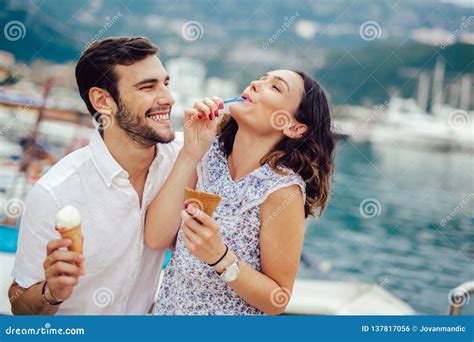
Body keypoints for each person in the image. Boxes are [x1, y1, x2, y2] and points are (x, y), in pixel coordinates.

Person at [8, 36, 207, 315]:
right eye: (148, 87)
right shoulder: (55, 192)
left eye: (165, 83)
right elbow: (18, 303)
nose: (168, 99)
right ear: (103, 100)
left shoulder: (187, 154)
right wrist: (50, 293)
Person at [145, 70, 335, 315]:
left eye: (275, 87)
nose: (256, 84)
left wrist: (219, 257)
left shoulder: (281, 191)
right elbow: (156, 238)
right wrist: (190, 152)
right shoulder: (206, 153)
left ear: (294, 127)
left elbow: (277, 300)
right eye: (261, 78)